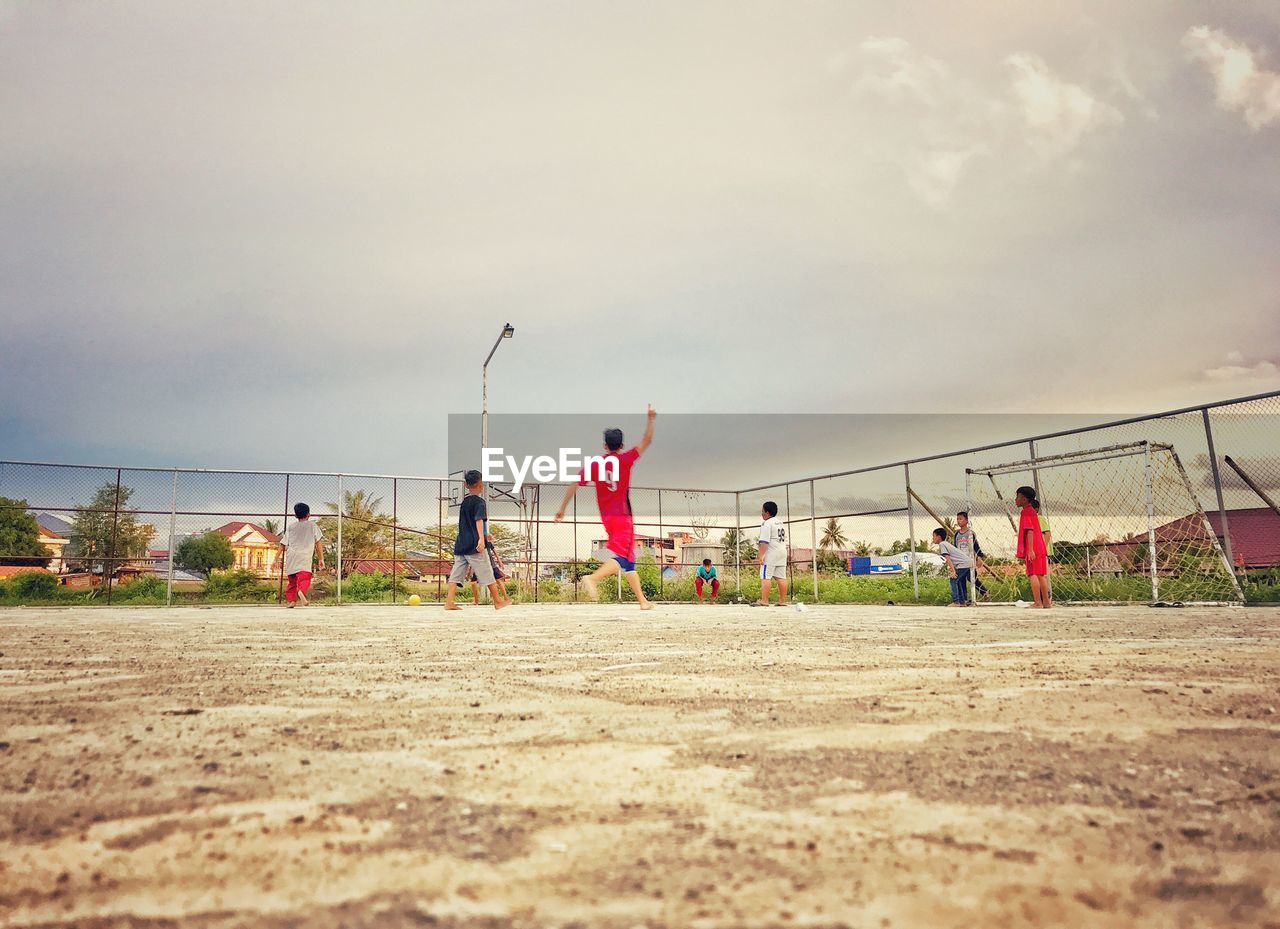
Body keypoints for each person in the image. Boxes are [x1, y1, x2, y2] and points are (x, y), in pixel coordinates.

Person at [554, 406, 656, 609]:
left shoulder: (595, 464)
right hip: (623, 516)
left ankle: (643, 602)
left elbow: (574, 483)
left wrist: (562, 508)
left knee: (629, 560)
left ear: (604, 445)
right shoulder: (625, 459)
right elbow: (647, 440)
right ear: (622, 445)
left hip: (607, 517)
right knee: (621, 555)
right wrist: (651, 419)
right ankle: (593, 578)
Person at [445, 470, 508, 611]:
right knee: (487, 571)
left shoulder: (464, 502)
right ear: (481, 484)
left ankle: (449, 602)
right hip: (474, 544)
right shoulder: (480, 502)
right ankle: (498, 601)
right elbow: (479, 520)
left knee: (456, 573)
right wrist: (481, 539)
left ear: (466, 485)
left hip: (461, 543)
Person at [279, 502, 324, 608]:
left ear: (295, 515)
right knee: (304, 578)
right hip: (304, 557)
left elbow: (283, 543)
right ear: (308, 514)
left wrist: (276, 559)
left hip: (291, 557)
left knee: (292, 581)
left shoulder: (291, 527)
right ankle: (301, 592)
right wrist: (321, 558)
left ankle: (291, 601)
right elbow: (318, 542)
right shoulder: (312, 525)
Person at [1015, 485, 1050, 608]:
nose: (1016, 500)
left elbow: (1029, 530)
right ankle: (1046, 602)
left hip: (1033, 546)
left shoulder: (1026, 512)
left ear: (1024, 499)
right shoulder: (1032, 511)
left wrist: (1030, 550)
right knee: (1041, 574)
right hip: (1040, 546)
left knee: (1033, 574)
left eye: (1018, 497)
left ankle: (1038, 602)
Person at [467, 524, 512, 607]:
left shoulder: (487, 542)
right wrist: (471, 568)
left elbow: (495, 551)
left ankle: (506, 598)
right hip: (480, 566)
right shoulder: (473, 542)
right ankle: (476, 601)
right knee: (473, 583)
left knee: (498, 581)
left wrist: (499, 561)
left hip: (491, 564)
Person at [753, 501, 788, 606]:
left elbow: (764, 542)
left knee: (765, 576)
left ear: (767, 512)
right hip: (782, 552)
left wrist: (761, 556)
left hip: (771, 553)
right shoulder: (780, 523)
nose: (761, 513)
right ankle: (782, 601)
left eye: (762, 511)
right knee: (781, 577)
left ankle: (764, 601)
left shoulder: (766, 523)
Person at [953, 511, 988, 602]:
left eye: (961, 519)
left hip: (969, 560)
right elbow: (955, 547)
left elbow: (976, 546)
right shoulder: (957, 534)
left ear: (966, 520)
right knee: (961, 580)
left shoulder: (970, 533)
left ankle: (984, 592)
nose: (958, 521)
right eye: (957, 519)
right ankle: (964, 599)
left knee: (971, 578)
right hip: (960, 561)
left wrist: (979, 557)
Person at [933, 527, 970, 607]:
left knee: (953, 579)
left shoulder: (942, 544)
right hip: (967, 563)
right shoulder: (945, 543)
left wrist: (953, 571)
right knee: (958, 581)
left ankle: (956, 602)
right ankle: (962, 602)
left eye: (934, 536)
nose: (933, 538)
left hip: (963, 564)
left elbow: (948, 558)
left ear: (939, 537)